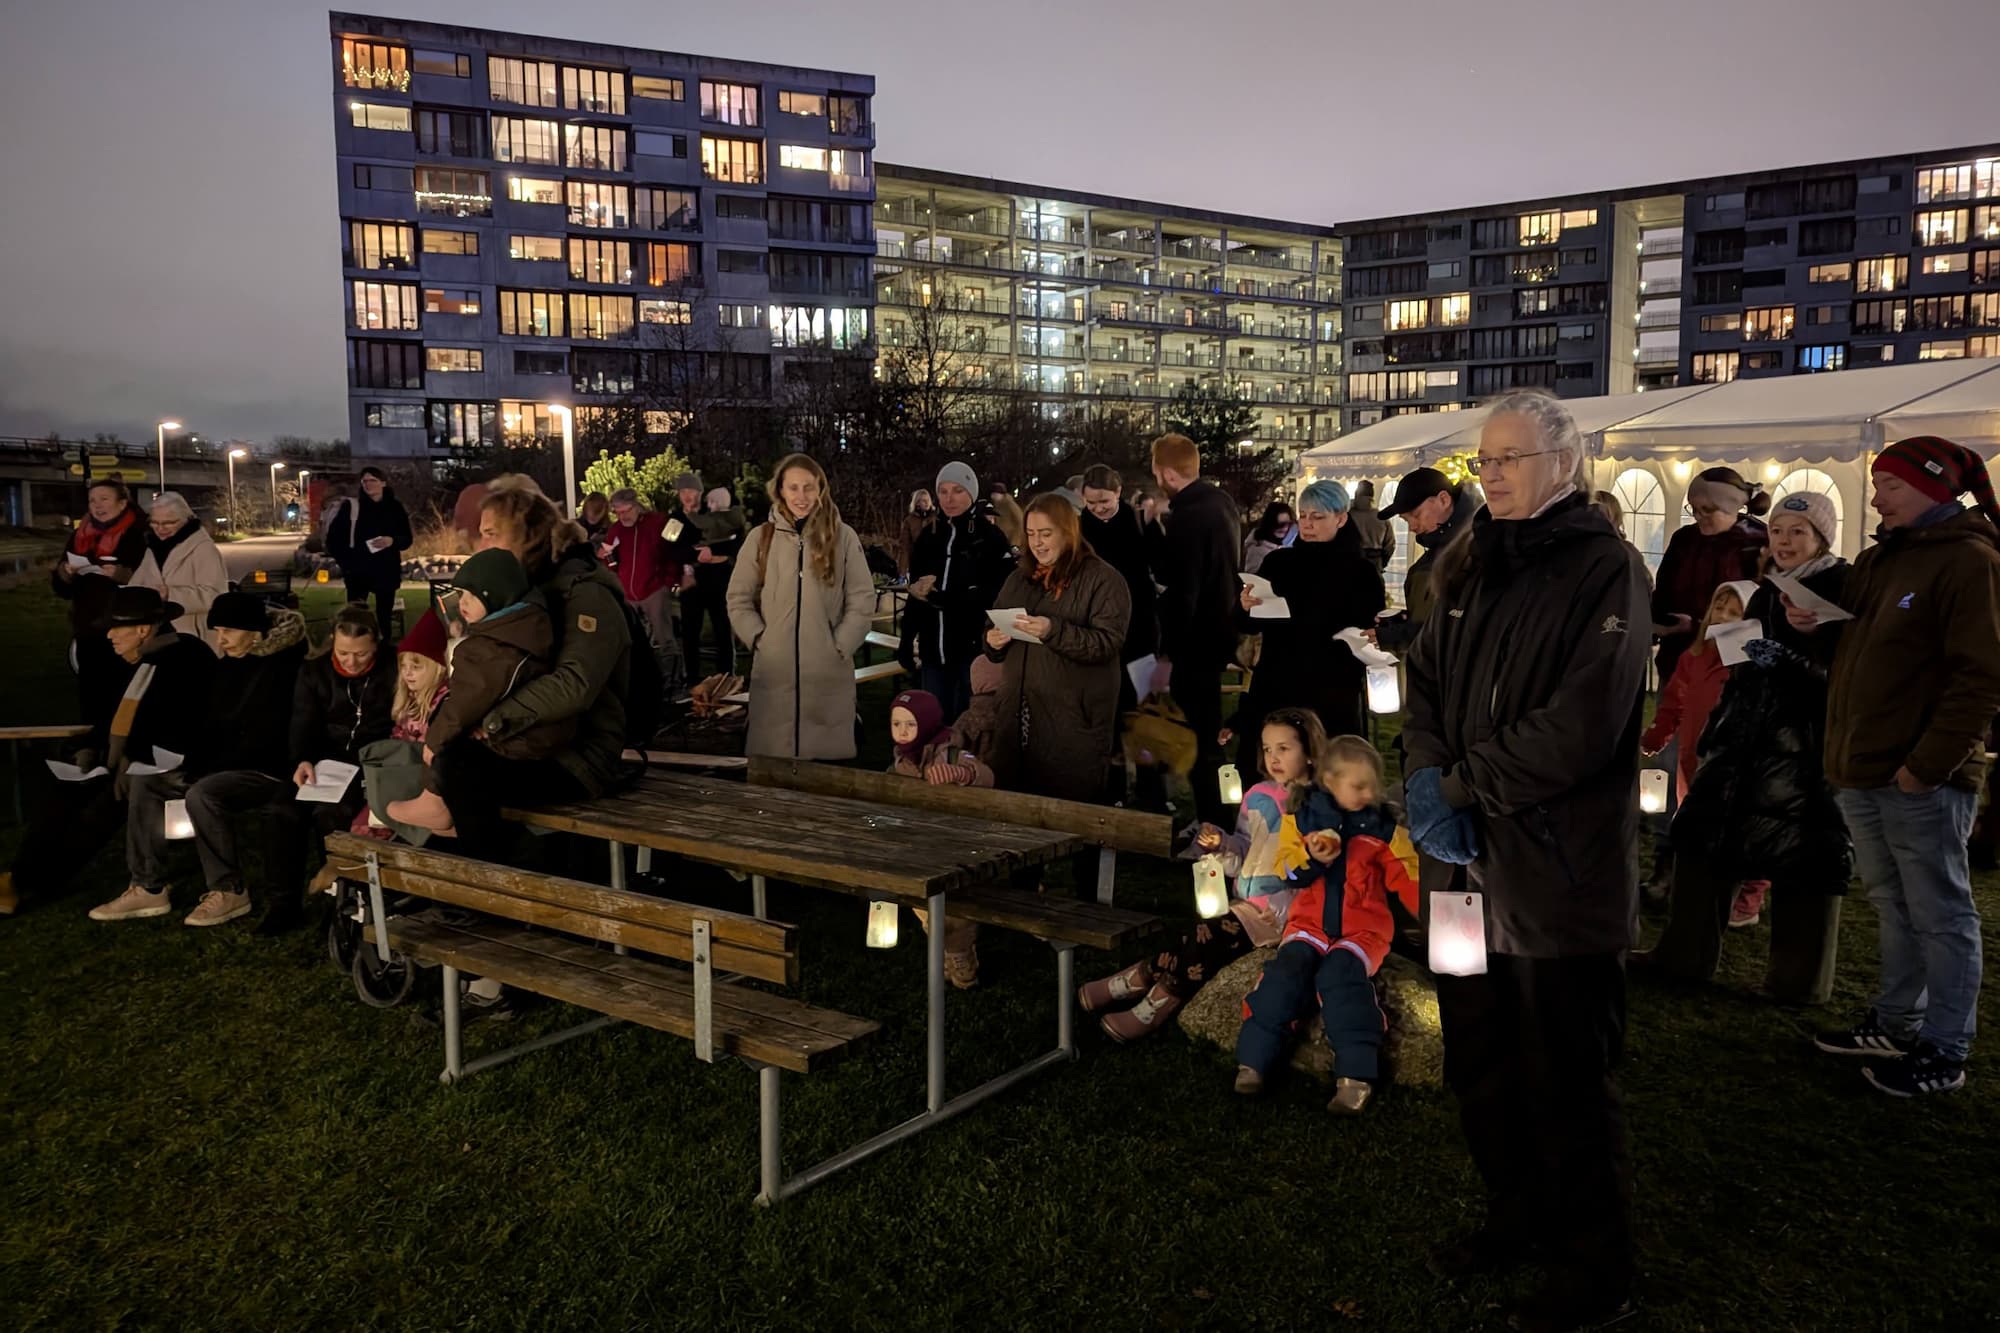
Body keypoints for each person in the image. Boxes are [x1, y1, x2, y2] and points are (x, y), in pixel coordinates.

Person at [1402, 390, 1650, 1331]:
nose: (1492, 472)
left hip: (1557, 879)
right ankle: (1515, 1212)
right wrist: (1426, 775)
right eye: (1484, 459)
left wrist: (1463, 788)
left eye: (1509, 457)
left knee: (1566, 1071)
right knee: (1481, 1055)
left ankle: (1597, 1265)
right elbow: (1423, 678)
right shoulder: (1467, 562)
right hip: (1462, 880)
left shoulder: (1604, 567)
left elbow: (1584, 723)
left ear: (1564, 464)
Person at [1812, 437, 2000, 1098]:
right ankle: (1897, 1020)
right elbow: (1865, 645)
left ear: (1932, 488)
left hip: (1918, 774)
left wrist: (1927, 765)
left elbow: (1980, 678)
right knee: (1893, 903)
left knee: (1941, 912)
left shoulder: (1969, 561)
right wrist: (1817, 625)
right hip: (1862, 765)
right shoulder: (1882, 558)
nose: (1876, 495)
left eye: (1888, 484)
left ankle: (1945, 1046)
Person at [1646, 492, 1852, 1002]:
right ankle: (1683, 955)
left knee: (1804, 857)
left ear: (1821, 538)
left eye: (1797, 532)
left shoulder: (1841, 589)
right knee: (1700, 839)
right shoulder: (1766, 592)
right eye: (1778, 531)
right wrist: (1721, 722)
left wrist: (1785, 658)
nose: (1784, 541)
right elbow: (1743, 667)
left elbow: (1844, 678)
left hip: (1801, 748)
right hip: (1743, 740)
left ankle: (1800, 981)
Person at [1081, 708, 1328, 1043]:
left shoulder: (1321, 806)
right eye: (1268, 749)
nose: (1273, 757)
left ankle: (1149, 999)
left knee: (1206, 941)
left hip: (1281, 914)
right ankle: (1134, 980)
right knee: (1197, 938)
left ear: (1310, 751)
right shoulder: (1257, 796)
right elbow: (1242, 852)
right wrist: (1220, 844)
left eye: (1284, 749)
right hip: (1248, 903)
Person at [445, 477, 634, 847]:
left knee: (460, 769)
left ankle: (503, 887)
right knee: (445, 758)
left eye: (491, 534)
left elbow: (574, 684)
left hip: (581, 755)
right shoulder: (525, 588)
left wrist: (494, 719)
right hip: (528, 738)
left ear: (528, 536)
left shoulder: (585, 593)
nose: (481, 545)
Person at [1235, 735, 1414, 1115]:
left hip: (1362, 931)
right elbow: (1285, 871)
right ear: (1330, 782)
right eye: (1358, 785)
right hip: (1309, 925)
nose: (1368, 792)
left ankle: (1355, 1074)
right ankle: (1254, 1059)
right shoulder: (1301, 821)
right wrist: (1311, 857)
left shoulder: (1383, 830)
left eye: (1371, 784)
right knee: (1286, 972)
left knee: (1342, 976)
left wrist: (1437, 916)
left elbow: (1407, 877)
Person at [115, 591, 308, 927]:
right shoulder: (224, 669)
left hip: (266, 770)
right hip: (217, 764)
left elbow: (270, 736)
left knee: (204, 793)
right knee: (146, 779)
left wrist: (208, 766)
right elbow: (207, 725)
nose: (220, 640)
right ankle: (147, 885)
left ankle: (229, 890)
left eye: (228, 631)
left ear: (254, 632)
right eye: (217, 631)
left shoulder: (285, 668)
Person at [390, 549, 574, 839]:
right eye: (460, 594)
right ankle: (449, 812)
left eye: (470, 596)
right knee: (454, 734)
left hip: (513, 742)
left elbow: (468, 699)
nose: (461, 603)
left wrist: (434, 741)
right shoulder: (521, 628)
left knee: (448, 740)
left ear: (494, 596)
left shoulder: (492, 647)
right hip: (522, 735)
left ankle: (435, 801)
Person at [74, 588, 220, 921]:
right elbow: (115, 718)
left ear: (142, 630)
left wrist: (132, 759)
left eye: (116, 627)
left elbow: (180, 727)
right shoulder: (141, 662)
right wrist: (89, 750)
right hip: (142, 761)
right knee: (74, 792)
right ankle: (22, 876)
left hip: (191, 763)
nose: (109, 635)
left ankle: (147, 886)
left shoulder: (184, 658)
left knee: (132, 789)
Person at [982, 493, 1132, 807]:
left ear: (1067, 531)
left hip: (1073, 722)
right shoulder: (1019, 578)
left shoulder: (1103, 581)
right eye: (1031, 534)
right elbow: (993, 625)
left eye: (1045, 533)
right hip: (1018, 717)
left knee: (1073, 810)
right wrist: (992, 642)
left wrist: (1054, 631)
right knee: (1017, 808)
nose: (1037, 543)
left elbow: (1107, 643)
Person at [727, 454, 875, 761]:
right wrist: (759, 638)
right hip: (774, 674)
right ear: (780, 490)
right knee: (773, 784)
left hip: (827, 676)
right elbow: (738, 598)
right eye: (793, 488)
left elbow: (862, 598)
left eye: (808, 487)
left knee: (826, 787)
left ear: (820, 488)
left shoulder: (843, 537)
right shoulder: (761, 539)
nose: (801, 496)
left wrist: (840, 645)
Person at [1227, 479, 1384, 762]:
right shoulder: (1279, 563)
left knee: (1326, 773)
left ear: (1340, 518)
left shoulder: (1360, 573)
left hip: (1331, 691)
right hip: (1277, 685)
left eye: (1317, 517)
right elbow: (1247, 624)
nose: (1307, 524)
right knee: (1273, 774)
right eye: (1303, 516)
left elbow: (1369, 634)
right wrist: (1245, 606)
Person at [1149, 433, 1241, 829]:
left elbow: (1183, 584)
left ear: (1166, 473)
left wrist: (1168, 648)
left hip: (1194, 642)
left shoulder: (1189, 515)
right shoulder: (1221, 503)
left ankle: (1214, 822)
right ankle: (1219, 815)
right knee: (1206, 737)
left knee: (1198, 740)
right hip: (1220, 632)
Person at [886, 687, 993, 988]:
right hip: (919, 843)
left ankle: (960, 953)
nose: (903, 731)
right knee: (926, 907)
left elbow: (984, 775)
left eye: (910, 724)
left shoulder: (951, 751)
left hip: (955, 842)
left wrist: (962, 775)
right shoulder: (902, 761)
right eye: (897, 724)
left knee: (954, 907)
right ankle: (948, 946)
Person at [900, 460, 1012, 720]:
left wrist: (947, 600)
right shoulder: (929, 536)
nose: (950, 499)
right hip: (932, 652)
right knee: (935, 724)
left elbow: (997, 594)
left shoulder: (989, 537)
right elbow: (917, 591)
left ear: (971, 493)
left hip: (972, 651)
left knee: (969, 724)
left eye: (958, 491)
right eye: (944, 491)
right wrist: (907, 638)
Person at [1652, 467, 1769, 681]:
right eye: (1694, 509)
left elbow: (1756, 617)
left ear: (1731, 508)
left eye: (1707, 509)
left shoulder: (1757, 546)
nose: (1698, 516)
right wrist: (1656, 622)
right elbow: (1663, 590)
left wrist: (1696, 627)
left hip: (1725, 667)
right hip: (1676, 662)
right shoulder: (1683, 539)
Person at [1641, 581, 1751, 804]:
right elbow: (1674, 702)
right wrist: (1655, 737)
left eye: (1733, 613)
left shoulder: (1748, 665)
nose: (1723, 617)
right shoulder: (1693, 657)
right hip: (1690, 754)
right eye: (1719, 609)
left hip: (1729, 758)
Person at [52, 478, 148, 724]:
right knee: (92, 697)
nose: (97, 506)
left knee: (127, 694)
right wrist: (65, 573)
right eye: (92, 500)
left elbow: (152, 582)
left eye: (104, 499)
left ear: (122, 503)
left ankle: (126, 751)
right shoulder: (80, 535)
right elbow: (61, 588)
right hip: (88, 627)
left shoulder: (140, 533)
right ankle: (93, 749)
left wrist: (123, 575)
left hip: (126, 628)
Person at [1078, 463, 1162, 720]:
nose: (1098, 508)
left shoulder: (1137, 521)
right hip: (1097, 619)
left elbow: (1163, 564)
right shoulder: (1079, 527)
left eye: (1103, 500)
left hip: (1139, 620)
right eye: (1091, 503)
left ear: (1118, 492)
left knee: (1141, 696)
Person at [1374, 466, 1480, 652]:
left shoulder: (1476, 549)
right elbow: (1434, 617)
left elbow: (1459, 629)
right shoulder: (1436, 552)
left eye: (1416, 515)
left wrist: (1399, 635)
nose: (1412, 527)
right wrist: (1404, 621)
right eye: (1406, 521)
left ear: (1444, 500)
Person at [601, 487, 683, 694]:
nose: (622, 516)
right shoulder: (616, 530)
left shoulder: (658, 523)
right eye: (617, 513)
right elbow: (609, 559)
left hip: (654, 589)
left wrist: (669, 581)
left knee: (664, 637)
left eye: (626, 511)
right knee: (634, 640)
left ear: (636, 506)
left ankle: (672, 682)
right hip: (627, 591)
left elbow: (674, 552)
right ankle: (643, 682)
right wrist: (607, 559)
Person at [130, 491, 228, 647]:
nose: (160, 528)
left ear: (186, 520)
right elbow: (135, 585)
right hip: (157, 636)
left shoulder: (203, 548)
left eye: (169, 523)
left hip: (194, 639)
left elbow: (217, 595)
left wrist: (171, 594)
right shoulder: (154, 547)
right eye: (155, 522)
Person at [324, 466, 414, 632]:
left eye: (373, 480)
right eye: (365, 481)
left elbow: (407, 539)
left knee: (384, 615)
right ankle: (356, 647)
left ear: (383, 483)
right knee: (356, 616)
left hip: (386, 569)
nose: (368, 484)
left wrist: (391, 541)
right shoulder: (352, 507)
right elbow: (333, 540)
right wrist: (347, 563)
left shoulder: (395, 508)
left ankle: (384, 647)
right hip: (358, 571)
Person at [683, 486, 748, 676]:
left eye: (692, 491)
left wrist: (716, 551)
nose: (688, 496)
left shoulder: (725, 517)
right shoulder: (680, 517)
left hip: (719, 575)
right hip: (693, 576)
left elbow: (738, 542)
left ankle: (726, 675)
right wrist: (693, 556)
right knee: (690, 631)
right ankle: (692, 678)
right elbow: (672, 545)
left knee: (722, 625)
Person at [1347, 479, 1397, 574]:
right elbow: (1390, 545)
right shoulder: (1381, 517)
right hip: (1375, 562)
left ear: (1356, 496)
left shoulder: (1347, 517)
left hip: (1352, 562)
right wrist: (1382, 563)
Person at [1240, 501, 1296, 575]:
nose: (1285, 528)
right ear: (1270, 523)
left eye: (1288, 524)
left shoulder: (1290, 544)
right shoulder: (1257, 549)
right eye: (1280, 525)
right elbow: (1253, 580)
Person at [899, 489, 937, 576]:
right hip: (917, 562)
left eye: (927, 500)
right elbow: (905, 547)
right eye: (923, 500)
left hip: (935, 562)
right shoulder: (909, 521)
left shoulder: (936, 518)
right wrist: (902, 572)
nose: (926, 503)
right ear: (917, 503)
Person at [986, 481, 1025, 550]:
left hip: (1011, 541)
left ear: (1002, 494)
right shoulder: (996, 507)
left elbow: (1020, 521)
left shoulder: (1009, 504)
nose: (993, 496)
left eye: (995, 494)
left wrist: (1015, 542)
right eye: (992, 494)